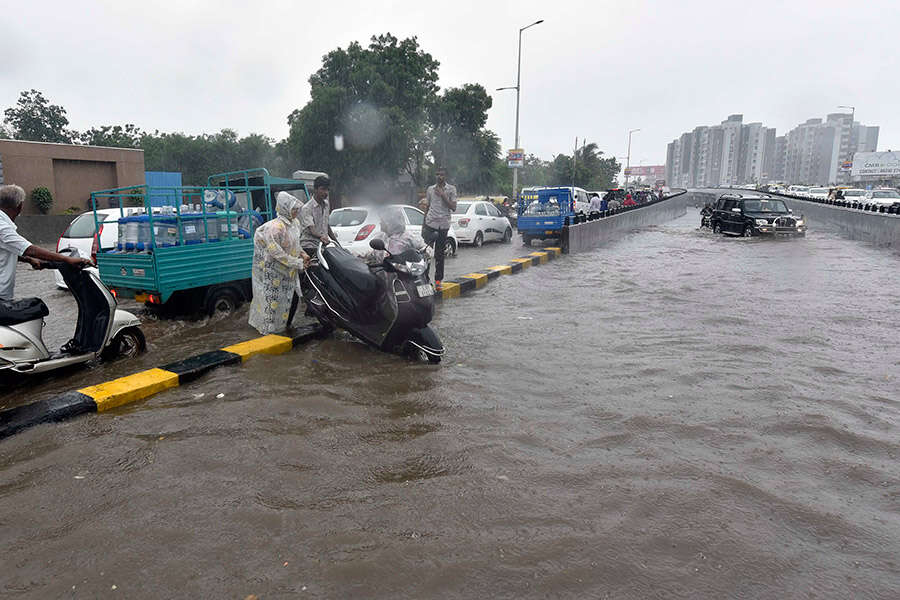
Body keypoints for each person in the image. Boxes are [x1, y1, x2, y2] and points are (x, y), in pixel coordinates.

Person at [0, 184, 92, 301]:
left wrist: (28, 259)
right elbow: (30, 249)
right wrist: (67, 259)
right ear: (20, 206)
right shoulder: (2, 227)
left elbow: (9, 249)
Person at [248, 192, 310, 335]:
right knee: (273, 303)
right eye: (293, 209)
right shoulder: (275, 228)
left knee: (293, 297)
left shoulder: (295, 224)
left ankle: (286, 327)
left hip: (290, 271)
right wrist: (298, 263)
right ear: (284, 208)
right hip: (274, 272)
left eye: (297, 209)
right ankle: (269, 332)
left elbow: (295, 244)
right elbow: (276, 253)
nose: (296, 212)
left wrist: (303, 254)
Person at [421, 166, 457, 287]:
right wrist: (423, 224)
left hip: (443, 225)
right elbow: (428, 206)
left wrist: (443, 195)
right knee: (426, 253)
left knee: (439, 254)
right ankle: (425, 279)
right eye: (437, 174)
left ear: (445, 176)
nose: (439, 177)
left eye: (441, 174)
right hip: (430, 224)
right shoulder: (430, 189)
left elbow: (453, 207)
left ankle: (438, 280)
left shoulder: (451, 189)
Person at [363, 207, 431, 266]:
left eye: (383, 221)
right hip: (382, 275)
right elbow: (372, 254)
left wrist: (424, 253)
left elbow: (425, 248)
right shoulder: (380, 237)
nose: (380, 223)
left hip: (403, 274)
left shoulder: (407, 237)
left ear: (391, 222)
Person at [298, 175, 338, 255]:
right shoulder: (307, 208)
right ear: (315, 189)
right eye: (323, 189)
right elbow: (312, 229)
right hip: (309, 245)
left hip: (322, 245)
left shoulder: (326, 204)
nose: (326, 192)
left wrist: (337, 243)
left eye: (327, 190)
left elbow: (326, 225)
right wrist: (321, 237)